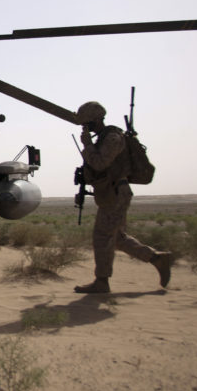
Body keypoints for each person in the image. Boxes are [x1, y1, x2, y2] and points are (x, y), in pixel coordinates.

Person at [73, 101, 172, 294]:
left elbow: (100, 163)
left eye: (87, 124)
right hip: (110, 192)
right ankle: (157, 259)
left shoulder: (112, 138)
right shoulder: (103, 137)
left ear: (96, 120)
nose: (86, 128)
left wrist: (87, 145)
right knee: (116, 238)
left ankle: (101, 282)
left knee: (102, 237)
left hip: (116, 193)